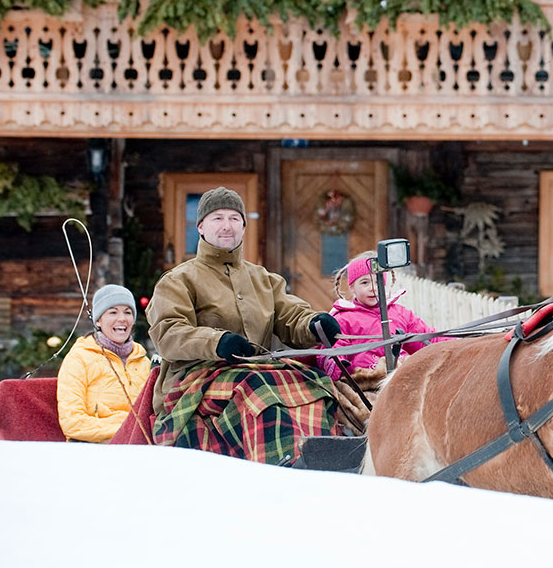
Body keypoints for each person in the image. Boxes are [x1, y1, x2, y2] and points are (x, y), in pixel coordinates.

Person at [146, 186, 342, 464]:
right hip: (196, 377)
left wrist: (312, 324)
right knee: (258, 389)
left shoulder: (263, 278)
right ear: (201, 227)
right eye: (217, 218)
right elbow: (169, 333)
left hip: (255, 370)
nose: (227, 226)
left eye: (234, 219)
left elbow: (289, 314)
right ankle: (278, 463)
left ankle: (319, 460)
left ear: (243, 227)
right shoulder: (178, 280)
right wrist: (216, 342)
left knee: (315, 382)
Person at [317, 251, 446, 382]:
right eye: (364, 283)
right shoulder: (344, 318)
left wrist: (457, 341)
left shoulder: (400, 313)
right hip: (366, 381)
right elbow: (333, 348)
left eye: (377, 282)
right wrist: (336, 365)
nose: (373, 288)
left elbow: (427, 338)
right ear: (352, 288)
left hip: (402, 376)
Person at [56, 284, 152, 443]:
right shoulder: (79, 358)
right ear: (98, 321)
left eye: (128, 312)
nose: (122, 318)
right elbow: (72, 422)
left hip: (140, 443)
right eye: (113, 312)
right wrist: (127, 430)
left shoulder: (142, 360)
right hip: (95, 445)